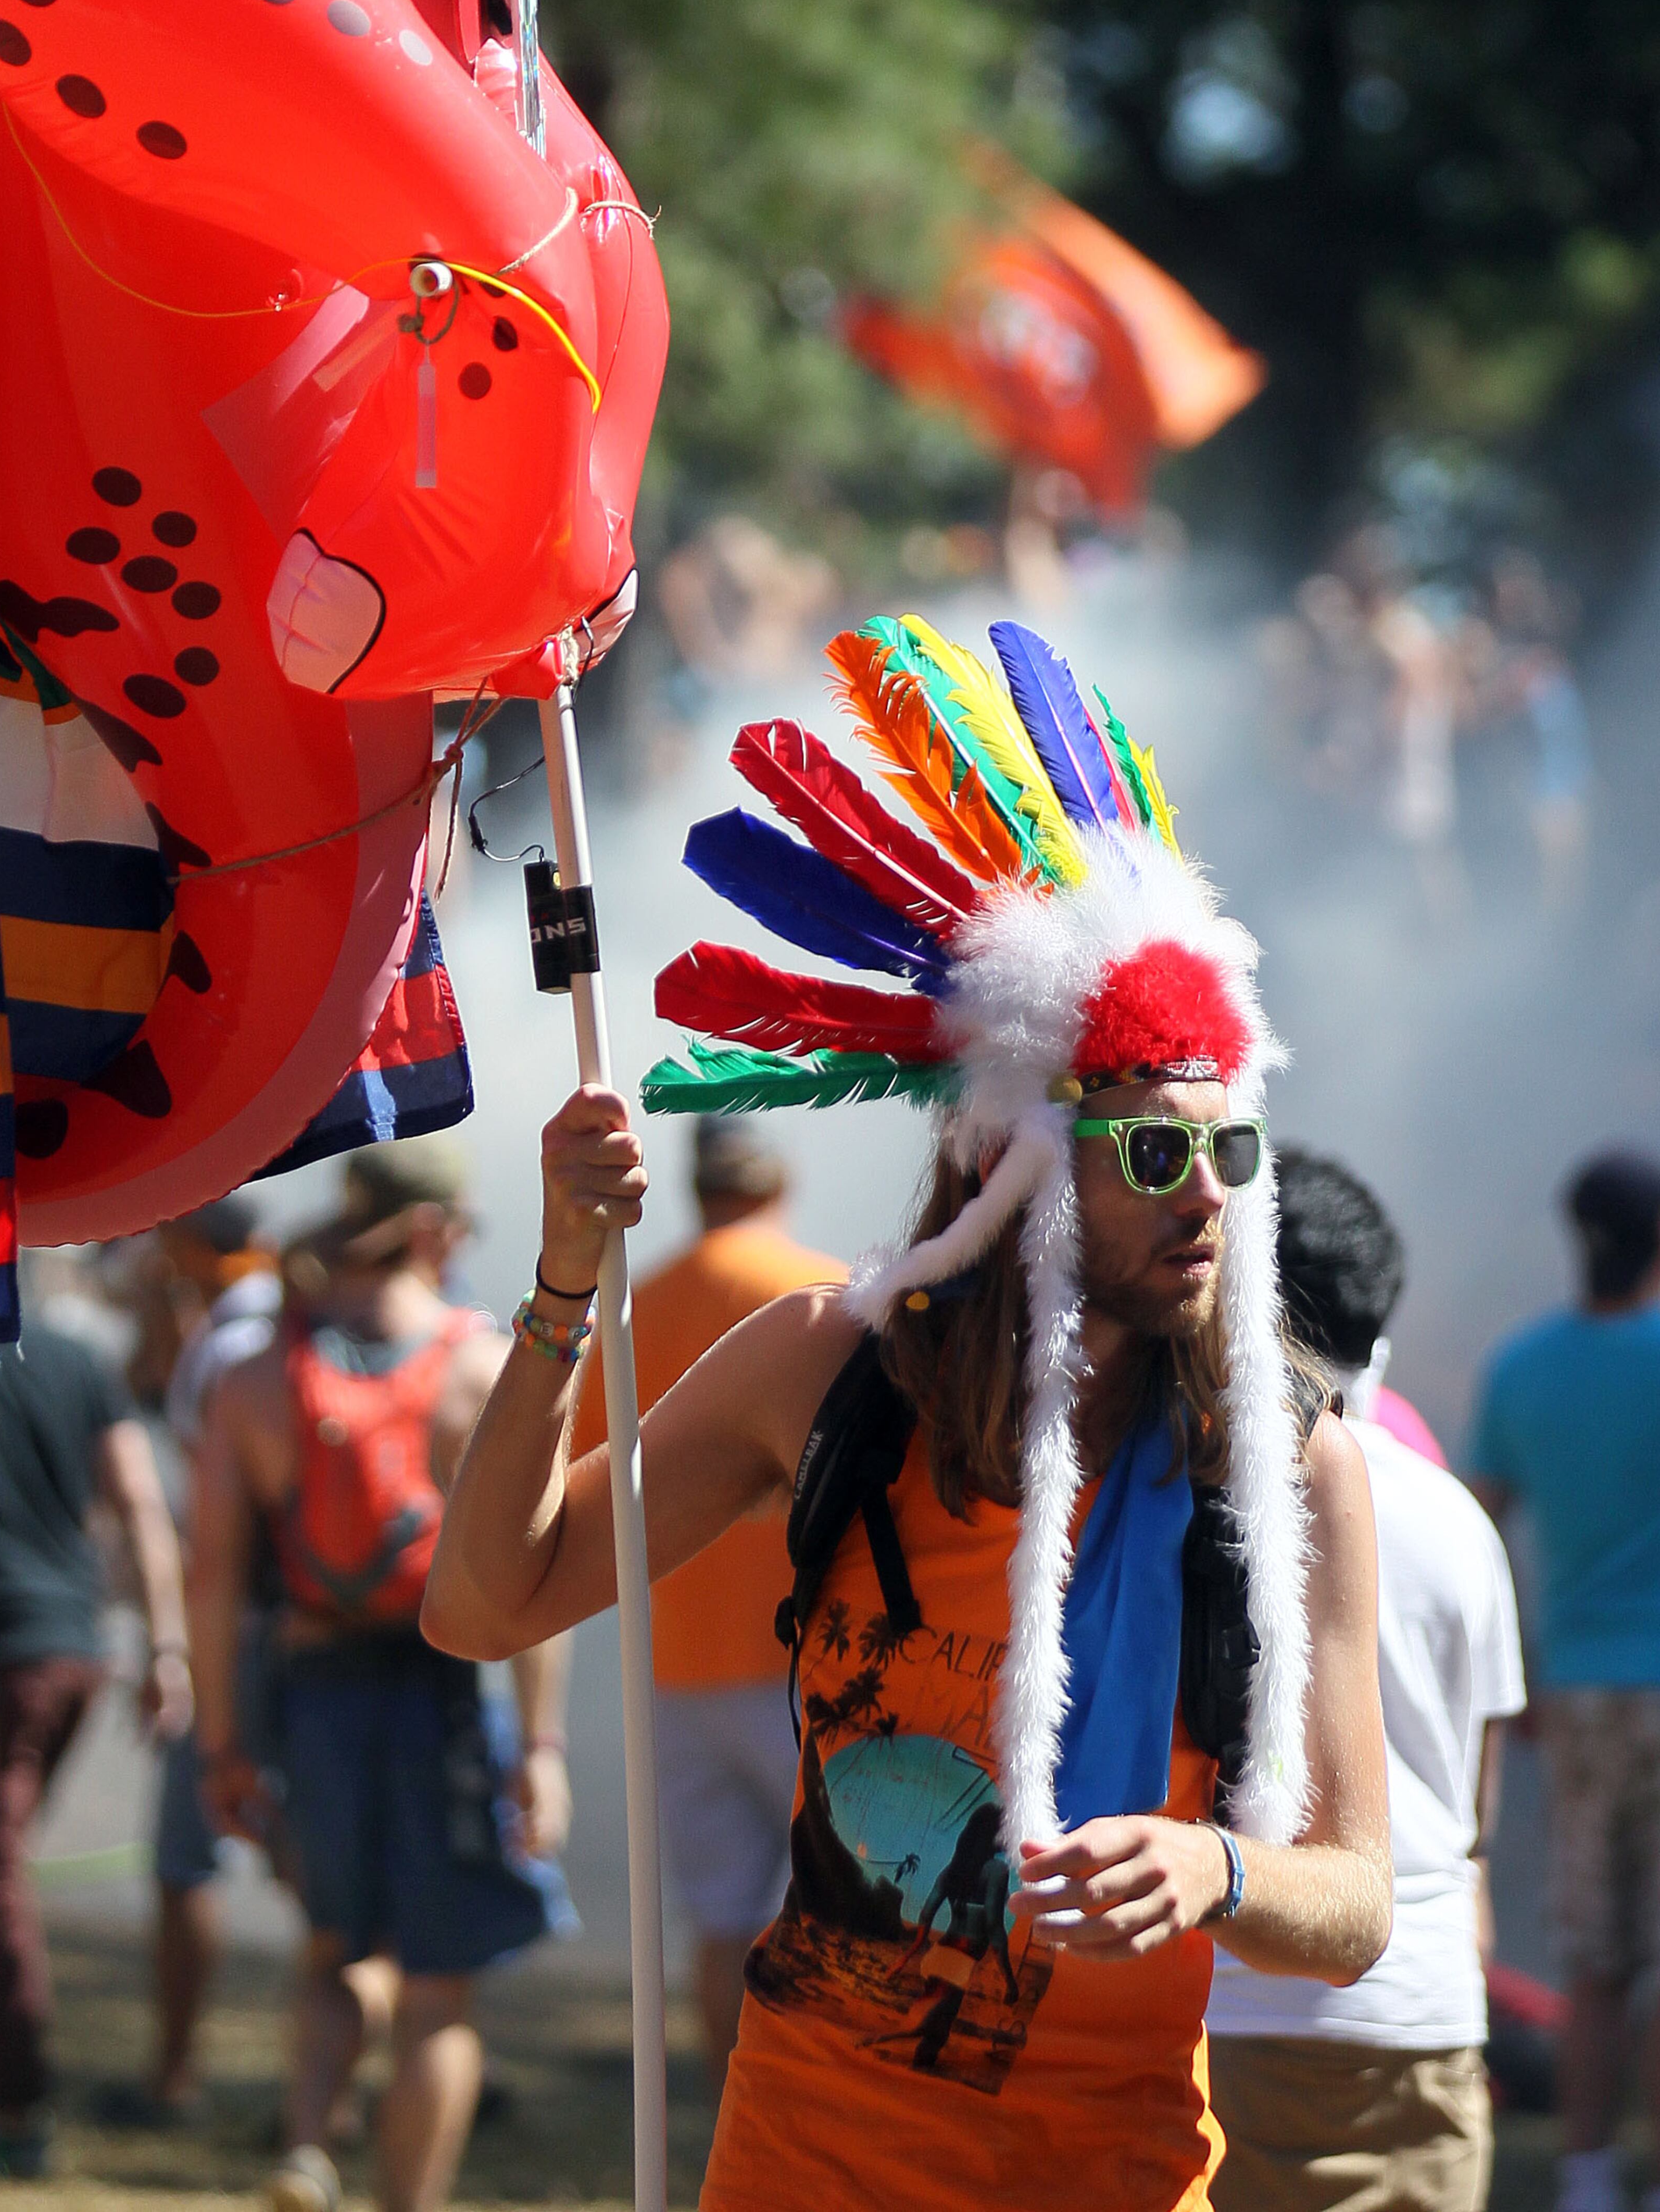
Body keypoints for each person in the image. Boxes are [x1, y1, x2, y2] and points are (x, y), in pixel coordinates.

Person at [426, 610, 1392, 2212]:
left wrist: (1216, 1866)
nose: (1209, 1198)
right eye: (1157, 1152)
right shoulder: (833, 1370)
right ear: (1022, 1171)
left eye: (1232, 1151)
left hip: (1121, 2177)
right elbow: (484, 1605)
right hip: (810, 2169)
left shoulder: (1292, 1466)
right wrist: (560, 1288)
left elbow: (1356, 1905)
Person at [192, 1140, 571, 2212]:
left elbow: (211, 1574)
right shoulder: (481, 1367)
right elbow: (531, 1572)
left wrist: (222, 1743)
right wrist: (542, 1746)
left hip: (314, 1691)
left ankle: (309, 2143)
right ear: (434, 1232)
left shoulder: (252, 1376)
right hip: (446, 1698)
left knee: (332, 1947)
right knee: (438, 1992)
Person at [1208, 1150, 1525, 2211]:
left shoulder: (1183, 1491)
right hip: (1423, 2017)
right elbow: (1473, 1806)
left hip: (1231, 2006)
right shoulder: (1458, 1520)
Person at [0, 1288, 191, 2173]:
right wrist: (166, 1648)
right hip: (75, 1653)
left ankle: (15, 2105)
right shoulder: (77, 1359)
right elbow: (140, 1503)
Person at [570, 1114, 845, 2083]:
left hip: (680, 1667)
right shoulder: (822, 1298)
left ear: (693, 1189)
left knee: (722, 1914)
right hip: (807, 1668)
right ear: (780, 1181)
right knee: (850, 1904)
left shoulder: (633, 1308)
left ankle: (733, 2106)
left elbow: (587, 1482)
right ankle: (815, 2105)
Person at [1468, 1148, 1660, 2212]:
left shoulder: (1521, 1368)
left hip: (1579, 1695)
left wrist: (1525, 1673)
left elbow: (1479, 1526)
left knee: (1594, 1954)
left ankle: (1588, 2177)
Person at [103, 1199, 282, 2129]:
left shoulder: (224, 1348)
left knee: (186, 1859)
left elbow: (208, 1528)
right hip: (324, 1628)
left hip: (234, 1631)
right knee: (326, 1859)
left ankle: (173, 2076)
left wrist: (175, 1647)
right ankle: (332, 2102)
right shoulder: (300, 1320)